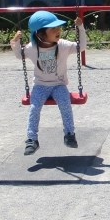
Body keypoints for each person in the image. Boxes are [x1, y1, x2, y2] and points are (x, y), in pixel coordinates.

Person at [12, 10, 87, 155]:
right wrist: (15, 41)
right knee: (34, 108)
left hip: (59, 85)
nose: (58, 30)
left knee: (65, 104)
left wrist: (81, 27)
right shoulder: (32, 48)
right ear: (40, 34)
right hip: (40, 86)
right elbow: (19, 55)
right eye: (53, 28)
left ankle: (69, 134)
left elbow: (81, 47)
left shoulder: (63, 45)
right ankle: (32, 139)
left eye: (58, 27)